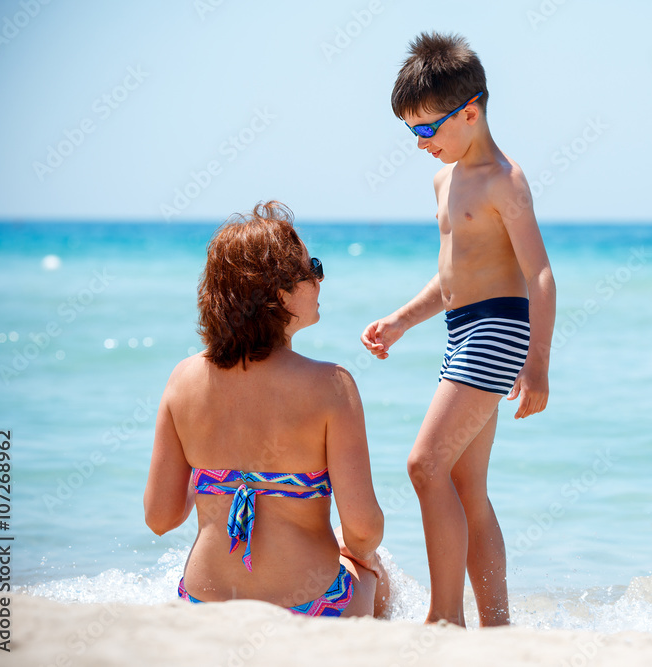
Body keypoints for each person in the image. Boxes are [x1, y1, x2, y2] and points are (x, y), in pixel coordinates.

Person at [361, 32, 556, 627]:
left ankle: (444, 617)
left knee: (425, 465)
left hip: (500, 329)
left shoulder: (504, 179)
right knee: (466, 484)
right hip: (461, 327)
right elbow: (451, 282)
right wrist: (399, 321)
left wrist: (539, 362)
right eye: (411, 132)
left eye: (428, 129)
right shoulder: (445, 180)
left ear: (469, 112)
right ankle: (496, 626)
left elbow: (540, 273)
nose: (421, 144)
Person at [144, 201, 388, 618]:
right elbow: (363, 529)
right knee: (376, 574)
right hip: (310, 605)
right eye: (311, 268)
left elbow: (160, 518)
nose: (319, 279)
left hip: (203, 603)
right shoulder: (331, 385)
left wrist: (215, 474)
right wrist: (362, 555)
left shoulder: (182, 380)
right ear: (281, 295)